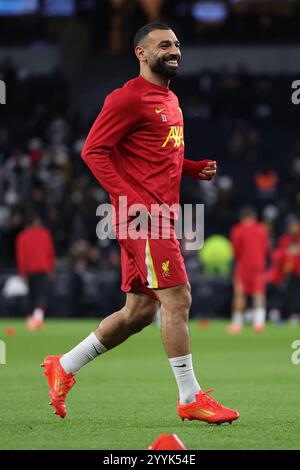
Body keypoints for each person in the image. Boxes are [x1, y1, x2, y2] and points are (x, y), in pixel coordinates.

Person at [42, 23, 239, 425]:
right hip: (143, 217)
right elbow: (93, 152)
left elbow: (155, 155)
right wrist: (126, 198)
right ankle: (190, 398)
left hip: (159, 214)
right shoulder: (127, 98)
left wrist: (192, 168)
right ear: (140, 53)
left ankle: (63, 365)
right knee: (178, 297)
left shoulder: (169, 99)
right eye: (164, 45)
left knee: (139, 311)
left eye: (177, 44)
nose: (174, 51)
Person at [228, 207, 270, 333]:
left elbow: (235, 250)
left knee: (240, 293)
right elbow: (266, 248)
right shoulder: (262, 230)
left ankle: (237, 323)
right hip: (259, 265)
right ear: (254, 217)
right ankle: (259, 322)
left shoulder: (237, 230)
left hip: (243, 266)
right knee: (259, 293)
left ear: (242, 218)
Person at [16, 213, 55, 330]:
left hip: (29, 270)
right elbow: (50, 253)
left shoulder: (22, 236)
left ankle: (30, 320)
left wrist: (22, 273)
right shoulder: (45, 234)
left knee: (31, 295)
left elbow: (21, 256)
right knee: (41, 295)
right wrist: (51, 269)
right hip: (42, 269)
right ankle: (37, 319)